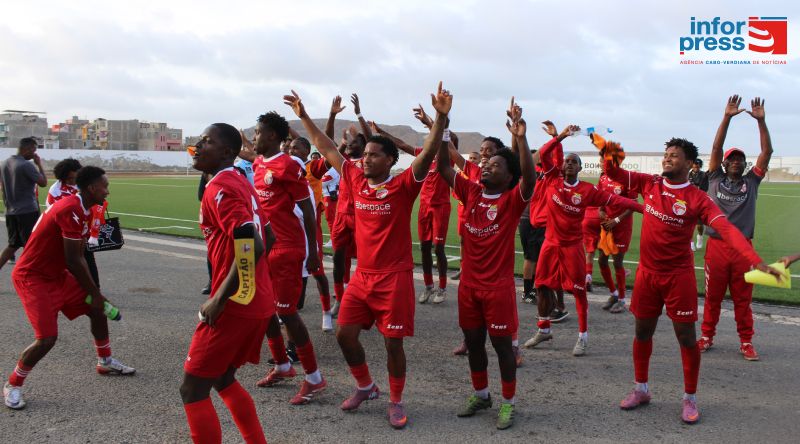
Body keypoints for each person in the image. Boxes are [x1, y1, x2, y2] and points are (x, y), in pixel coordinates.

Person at [284, 82, 449, 429]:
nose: (367, 158)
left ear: (390, 160)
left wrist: (439, 118)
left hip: (396, 277)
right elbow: (325, 146)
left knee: (393, 344)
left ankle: (396, 400)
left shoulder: (404, 185)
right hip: (364, 275)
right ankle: (365, 386)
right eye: (366, 154)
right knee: (345, 334)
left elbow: (429, 152)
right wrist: (305, 118)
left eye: (375, 154)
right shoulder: (354, 178)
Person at [604, 135, 780, 424]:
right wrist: (607, 148)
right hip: (647, 275)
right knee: (642, 333)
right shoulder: (650, 184)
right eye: (666, 154)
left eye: (674, 155)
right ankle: (641, 389)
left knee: (686, 338)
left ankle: (689, 398)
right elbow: (612, 173)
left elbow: (728, 229)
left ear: (689, 163)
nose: (667, 158)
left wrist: (754, 260)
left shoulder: (699, 199)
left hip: (679, 277)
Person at [438, 99, 535, 430]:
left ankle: (508, 402)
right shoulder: (472, 192)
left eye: (495, 164)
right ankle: (481, 394)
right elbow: (443, 169)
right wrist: (442, 124)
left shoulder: (510, 201)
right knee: (474, 344)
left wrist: (520, 138)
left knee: (502, 347)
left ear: (509, 176)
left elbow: (530, 180)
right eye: (486, 163)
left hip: (498, 288)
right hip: (469, 287)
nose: (487, 167)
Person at [4, 166, 135, 411]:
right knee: (47, 339)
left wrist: (96, 297)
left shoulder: (84, 207)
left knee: (97, 311)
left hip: (56, 275)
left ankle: (105, 361)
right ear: (91, 188)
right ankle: (13, 384)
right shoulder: (71, 208)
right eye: (104, 186)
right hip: (33, 278)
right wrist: (96, 294)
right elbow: (74, 259)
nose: (107, 191)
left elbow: (77, 255)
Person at [179, 123, 273, 443]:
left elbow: (254, 244)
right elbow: (268, 235)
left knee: (192, 388)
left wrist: (220, 297)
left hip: (234, 304)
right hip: (256, 300)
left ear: (227, 153)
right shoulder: (241, 182)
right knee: (221, 377)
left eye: (206, 141)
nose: (197, 145)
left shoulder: (221, 187)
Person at [523, 122, 642, 357]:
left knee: (578, 291)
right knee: (543, 287)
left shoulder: (588, 190)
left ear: (579, 168)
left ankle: (583, 336)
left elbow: (618, 202)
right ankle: (544, 328)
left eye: (573, 161)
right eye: (566, 160)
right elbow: (543, 154)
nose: (568, 163)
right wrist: (561, 137)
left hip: (571, 248)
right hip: (550, 244)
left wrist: (644, 209)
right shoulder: (551, 179)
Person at [238, 112, 327, 403]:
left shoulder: (290, 165)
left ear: (273, 136)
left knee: (287, 314)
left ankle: (314, 378)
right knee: (265, 309)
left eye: (258, 133)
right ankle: (282, 366)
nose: (254, 138)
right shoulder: (261, 162)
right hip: (265, 248)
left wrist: (314, 252)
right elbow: (249, 154)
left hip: (288, 250)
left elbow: (309, 209)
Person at [698, 95, 774, 361]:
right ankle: (707, 336)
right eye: (732, 159)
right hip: (717, 247)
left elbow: (766, 153)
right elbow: (717, 147)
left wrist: (761, 123)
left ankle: (746, 342)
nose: (736, 162)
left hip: (743, 250)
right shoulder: (714, 177)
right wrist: (727, 118)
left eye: (740, 159)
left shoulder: (752, 182)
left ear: (745, 164)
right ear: (724, 163)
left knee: (743, 300)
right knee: (713, 298)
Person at [368, 119, 452, 305]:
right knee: (424, 247)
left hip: (441, 207)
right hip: (424, 207)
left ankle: (443, 287)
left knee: (438, 248)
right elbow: (401, 144)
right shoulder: (423, 155)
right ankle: (428, 285)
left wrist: (435, 123)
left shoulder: (447, 156)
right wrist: (381, 131)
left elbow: (451, 136)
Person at [584, 139, 640, 313]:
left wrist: (616, 220)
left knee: (617, 263)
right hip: (606, 226)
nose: (601, 163)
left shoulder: (628, 179)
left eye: (603, 160)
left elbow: (633, 206)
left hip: (621, 227)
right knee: (602, 259)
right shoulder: (603, 178)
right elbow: (600, 198)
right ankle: (614, 293)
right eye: (600, 160)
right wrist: (601, 210)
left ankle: (623, 300)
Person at [290, 137, 334, 332]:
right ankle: (287, 311)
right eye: (289, 148)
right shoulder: (283, 169)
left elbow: (329, 151)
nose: (291, 151)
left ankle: (326, 313)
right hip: (290, 228)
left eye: (296, 148)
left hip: (310, 227)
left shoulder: (312, 168)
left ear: (307, 151)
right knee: (288, 272)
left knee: (318, 273)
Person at [46, 158, 103, 288]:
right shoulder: (56, 190)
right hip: (67, 233)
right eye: (69, 179)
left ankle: (95, 289)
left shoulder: (83, 184)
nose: (72, 181)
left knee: (88, 259)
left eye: (74, 177)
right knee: (70, 262)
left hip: (84, 230)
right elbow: (53, 212)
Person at [0, 137, 48, 271]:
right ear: (26, 149)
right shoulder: (26, 165)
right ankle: (27, 276)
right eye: (34, 150)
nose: (35, 154)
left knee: (13, 245)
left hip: (10, 211)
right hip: (27, 211)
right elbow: (43, 183)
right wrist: (39, 164)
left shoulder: (4, 163)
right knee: (32, 246)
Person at [688, 158, 709, 251]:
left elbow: (704, 188)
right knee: (687, 223)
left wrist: (695, 187)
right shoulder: (686, 174)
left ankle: (700, 237)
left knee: (699, 224)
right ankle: (690, 242)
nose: (696, 166)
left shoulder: (704, 175)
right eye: (695, 165)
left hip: (700, 201)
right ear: (692, 165)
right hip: (687, 201)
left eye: (698, 165)